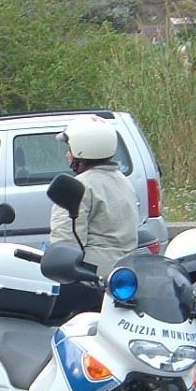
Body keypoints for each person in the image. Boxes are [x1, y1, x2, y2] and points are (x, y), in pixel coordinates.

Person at [48, 114, 138, 319]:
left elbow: (65, 244)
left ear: (81, 150)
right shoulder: (124, 182)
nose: (67, 155)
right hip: (122, 279)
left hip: (88, 283)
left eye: (69, 149)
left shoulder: (79, 186)